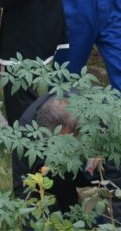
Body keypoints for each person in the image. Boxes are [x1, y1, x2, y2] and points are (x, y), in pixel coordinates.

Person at [12, 93, 121, 224]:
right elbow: (23, 188)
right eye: (61, 145)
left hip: (98, 163)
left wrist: (114, 226)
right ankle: (68, 214)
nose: (69, 151)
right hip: (55, 175)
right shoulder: (26, 135)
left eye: (71, 141)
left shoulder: (102, 119)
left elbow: (116, 178)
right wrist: (35, 229)